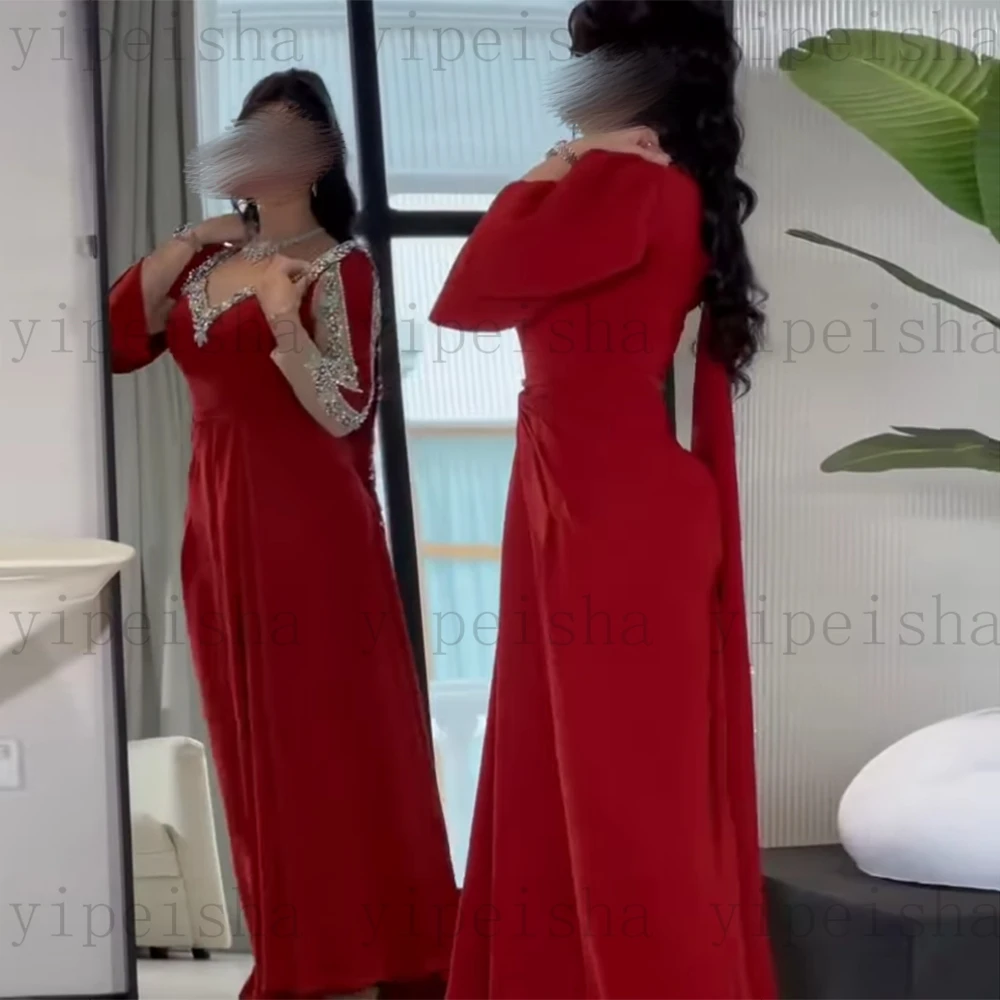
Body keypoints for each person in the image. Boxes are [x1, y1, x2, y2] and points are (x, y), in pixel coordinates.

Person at [429, 2, 775, 998]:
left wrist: (551, 166)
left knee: (622, 794)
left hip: (608, 512)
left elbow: (467, 297)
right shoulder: (660, 187)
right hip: (596, 498)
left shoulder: (620, 185)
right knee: (589, 777)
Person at [108, 69, 456, 999]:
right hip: (218, 522)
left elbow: (346, 408)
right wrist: (194, 237)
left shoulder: (341, 266)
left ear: (321, 157)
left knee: (325, 738)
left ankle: (367, 954)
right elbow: (118, 337)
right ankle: (299, 947)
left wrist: (278, 320)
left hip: (313, 530)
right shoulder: (201, 265)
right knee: (248, 739)